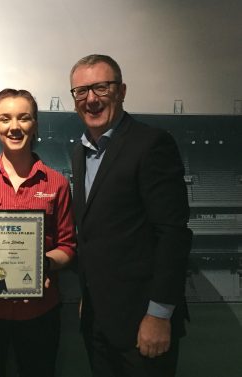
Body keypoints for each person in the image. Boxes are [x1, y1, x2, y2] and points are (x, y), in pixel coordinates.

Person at [69, 54, 192, 377]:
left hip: (143, 324)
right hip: (98, 320)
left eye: (101, 88)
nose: (91, 99)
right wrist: (89, 297)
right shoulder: (79, 152)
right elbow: (94, 233)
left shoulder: (151, 144)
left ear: (121, 91)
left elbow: (173, 234)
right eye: (81, 91)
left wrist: (160, 314)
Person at [0, 88, 76, 377]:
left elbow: (68, 246)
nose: (14, 127)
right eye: (5, 119)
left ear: (34, 124)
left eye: (24, 118)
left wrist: (43, 264)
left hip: (40, 311)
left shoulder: (57, 182)